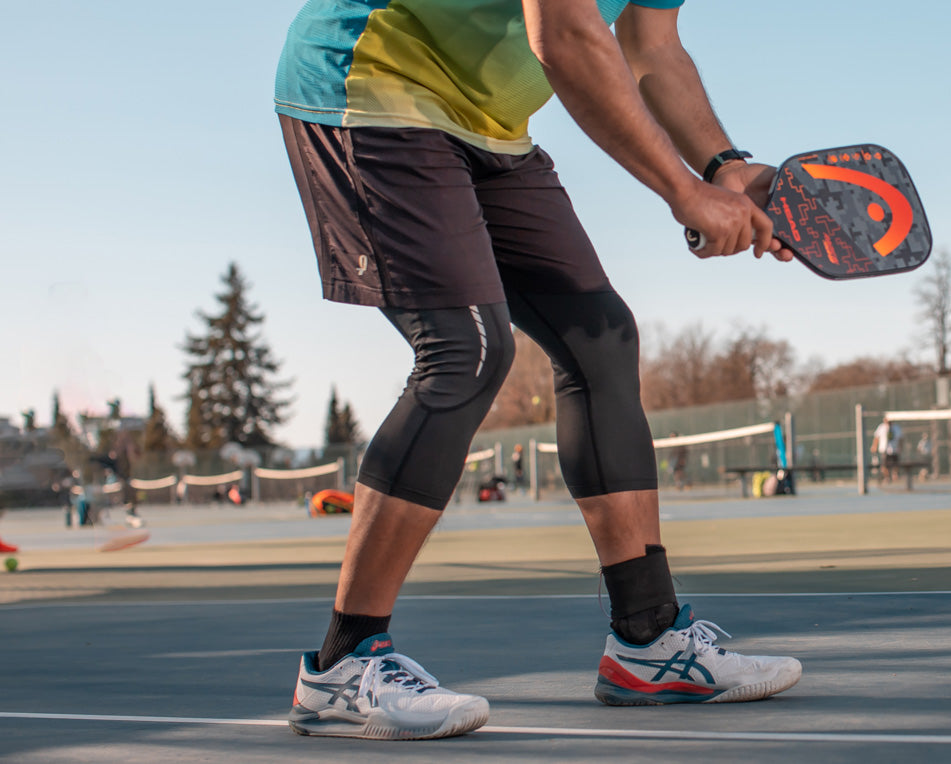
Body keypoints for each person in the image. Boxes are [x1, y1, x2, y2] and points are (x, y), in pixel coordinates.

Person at [275, 0, 801, 740]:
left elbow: (651, 42)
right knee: (464, 351)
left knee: (600, 339)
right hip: (369, 83)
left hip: (490, 124)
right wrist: (685, 191)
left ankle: (647, 642)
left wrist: (724, 166)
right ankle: (341, 664)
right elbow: (564, 34)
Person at [871, 419, 902, 483]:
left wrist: (900, 447)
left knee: (895, 464)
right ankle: (886, 477)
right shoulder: (881, 427)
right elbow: (876, 438)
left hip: (894, 450)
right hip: (884, 449)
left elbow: (901, 439)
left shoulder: (897, 428)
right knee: (884, 464)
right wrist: (874, 446)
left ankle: (894, 476)